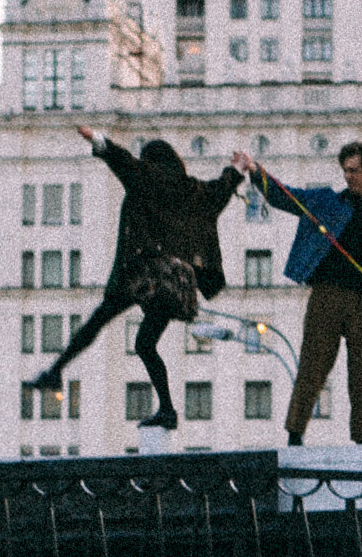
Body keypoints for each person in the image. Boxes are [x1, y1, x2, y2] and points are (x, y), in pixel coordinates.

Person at [35, 128, 241, 431]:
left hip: (145, 275)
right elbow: (220, 191)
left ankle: (55, 369)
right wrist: (237, 170)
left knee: (98, 320)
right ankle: (168, 410)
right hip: (179, 284)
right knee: (145, 343)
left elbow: (123, 161)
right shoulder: (193, 190)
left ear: (151, 161)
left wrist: (99, 141)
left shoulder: (147, 176)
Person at [230, 137, 362, 444]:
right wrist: (254, 170)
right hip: (326, 296)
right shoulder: (327, 201)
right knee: (313, 366)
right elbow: (286, 197)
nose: (348, 176)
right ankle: (295, 435)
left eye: (354, 170)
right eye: (345, 170)